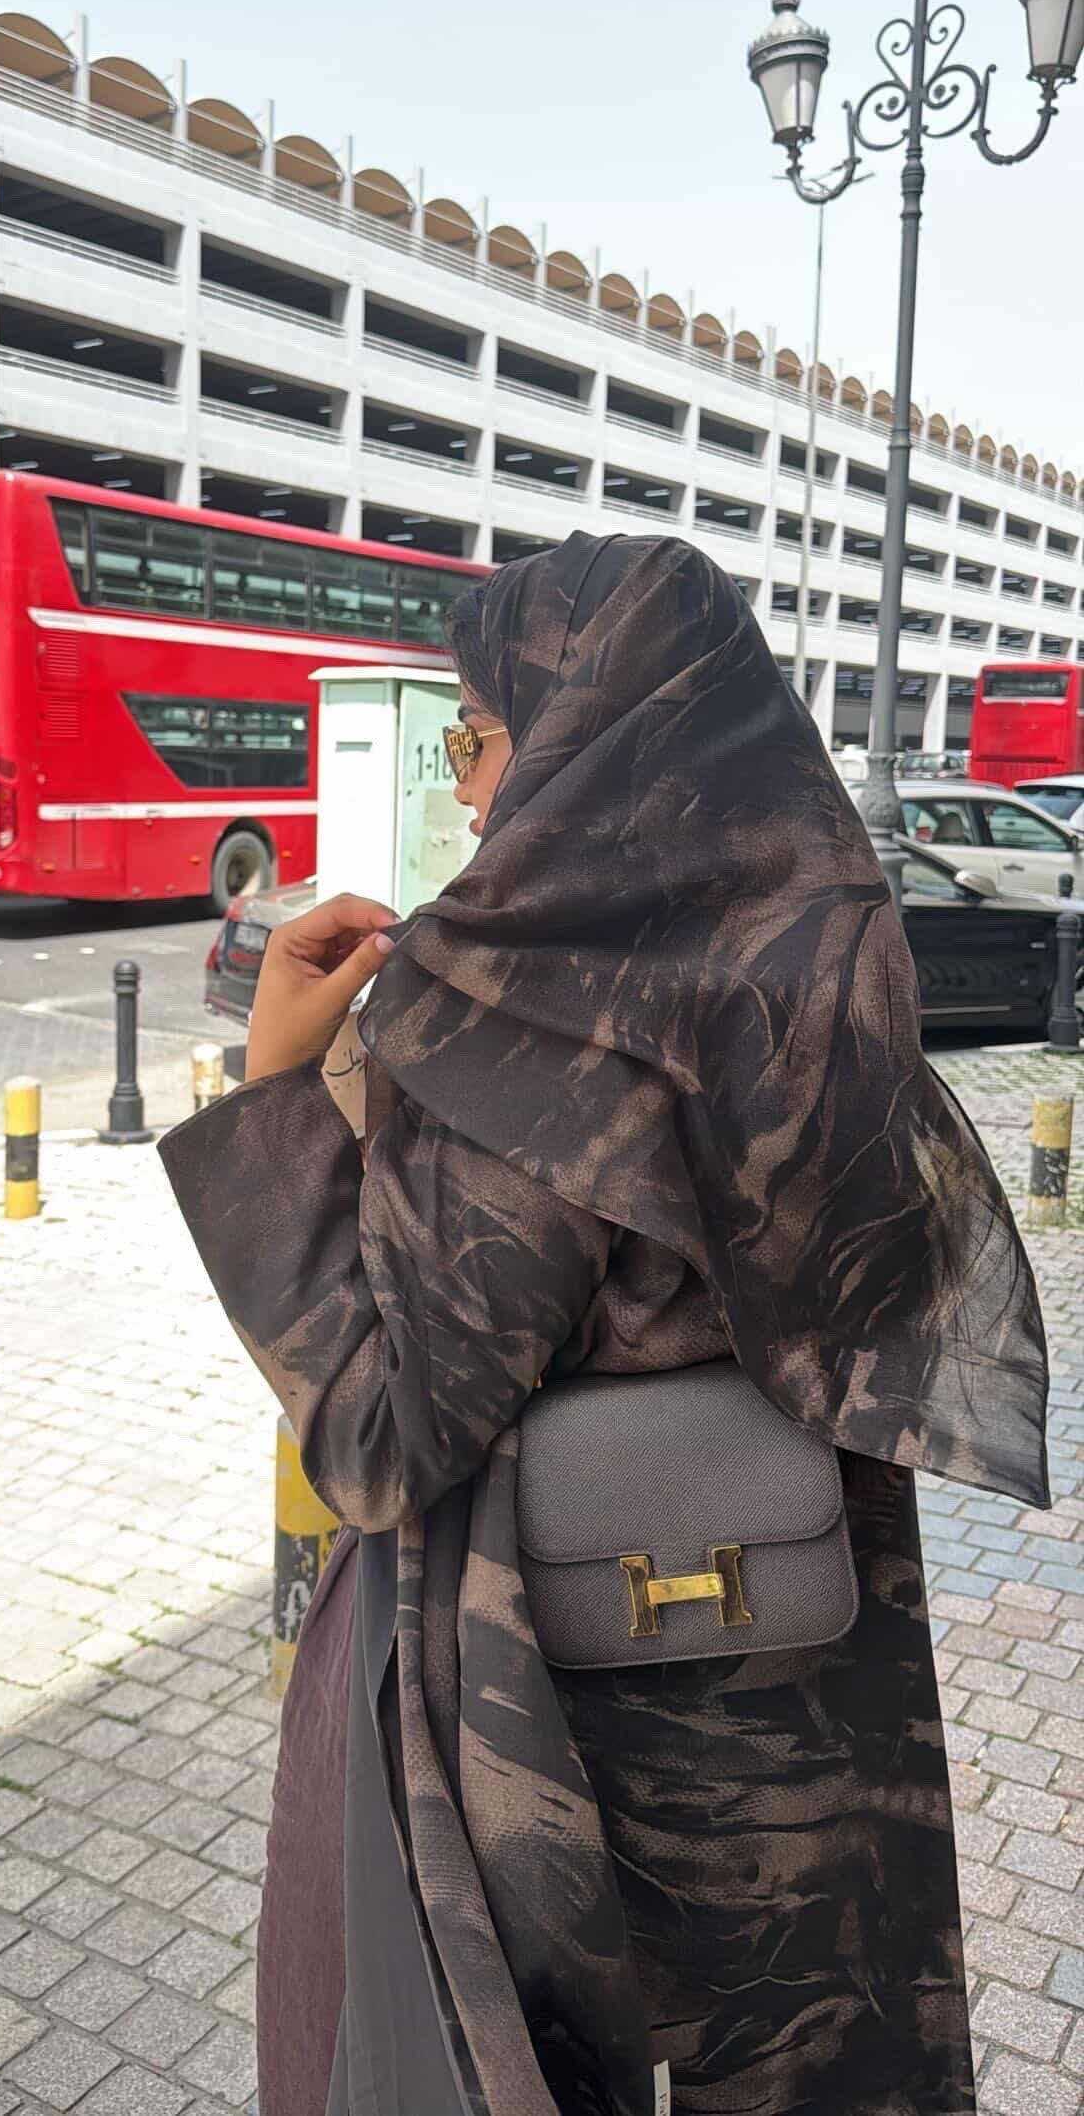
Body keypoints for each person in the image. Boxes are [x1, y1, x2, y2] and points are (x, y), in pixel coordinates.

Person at [160, 530, 1051, 2116]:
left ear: (588, 740)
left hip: (572, 1739)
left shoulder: (519, 1046)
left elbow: (382, 1434)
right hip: (807, 1705)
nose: (467, 789)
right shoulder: (824, 983)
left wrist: (279, 1089)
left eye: (478, 735)